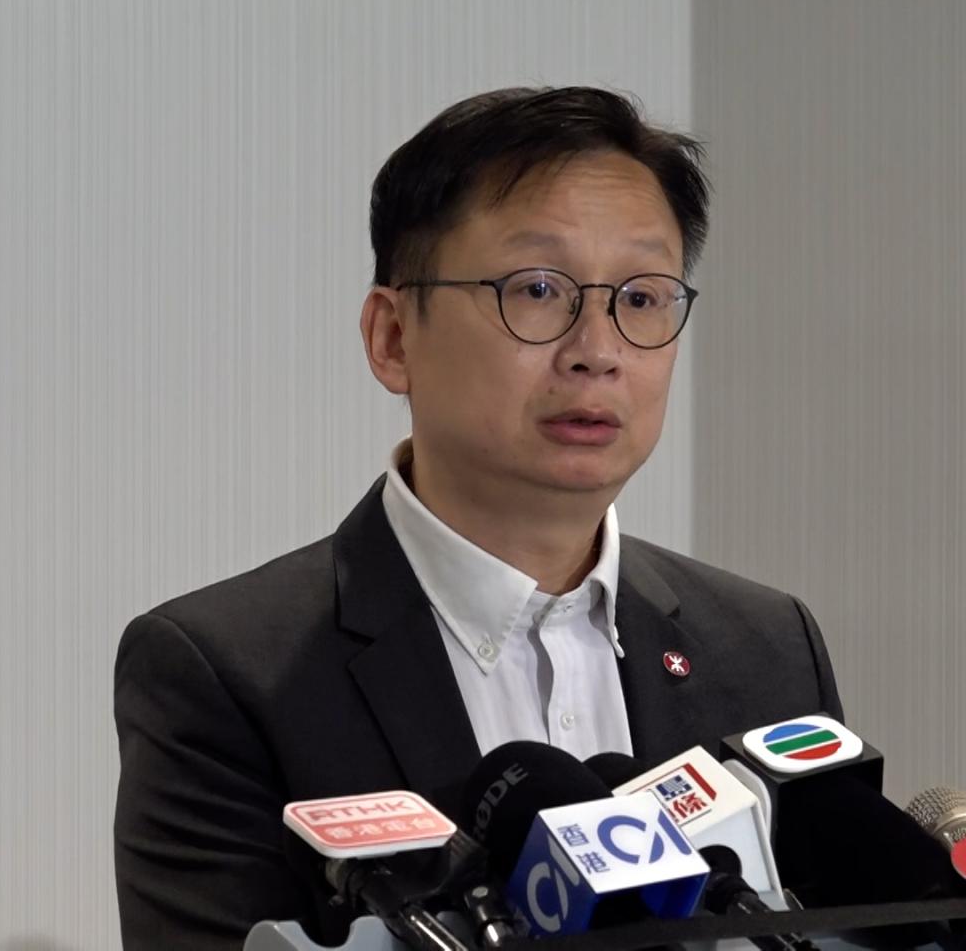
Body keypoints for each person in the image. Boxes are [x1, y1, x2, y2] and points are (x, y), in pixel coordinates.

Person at [113, 86, 843, 950]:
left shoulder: (764, 648)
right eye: (537, 289)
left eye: (643, 298)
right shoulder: (228, 675)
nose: (598, 350)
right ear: (393, 338)